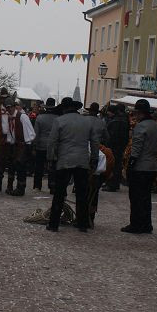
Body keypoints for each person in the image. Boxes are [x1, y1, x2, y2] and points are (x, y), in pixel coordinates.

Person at [46, 97, 100, 232]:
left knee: (59, 193)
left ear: (64, 109)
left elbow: (52, 142)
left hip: (64, 160)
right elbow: (94, 142)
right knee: (82, 194)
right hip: (82, 161)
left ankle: (53, 224)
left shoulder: (59, 121)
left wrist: (51, 159)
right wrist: (94, 158)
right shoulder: (87, 122)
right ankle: (82, 224)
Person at [122, 99, 157, 235]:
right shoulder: (156, 126)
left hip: (140, 166)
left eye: (136, 113)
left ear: (140, 113)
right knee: (146, 197)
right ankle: (146, 224)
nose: (135, 116)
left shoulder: (141, 126)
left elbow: (137, 148)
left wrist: (130, 164)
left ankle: (136, 224)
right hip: (152, 166)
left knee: (136, 197)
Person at [2, 99, 36, 196]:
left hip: (22, 145)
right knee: (11, 165)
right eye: (7, 108)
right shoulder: (9, 118)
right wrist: (10, 142)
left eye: (10, 107)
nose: (8, 109)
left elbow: (31, 133)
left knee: (21, 166)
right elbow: (10, 132)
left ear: (14, 106)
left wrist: (26, 145)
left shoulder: (22, 116)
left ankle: (20, 189)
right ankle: (10, 186)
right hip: (14, 145)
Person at [32, 98, 57, 191]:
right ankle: (52, 186)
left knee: (39, 166)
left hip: (41, 145)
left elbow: (36, 133)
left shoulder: (40, 118)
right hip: (53, 146)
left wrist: (34, 146)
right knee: (52, 167)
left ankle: (37, 185)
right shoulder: (58, 118)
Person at [104, 104, 130, 192]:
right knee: (117, 165)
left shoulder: (116, 121)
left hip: (114, 147)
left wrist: (108, 145)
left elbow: (111, 136)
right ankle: (115, 183)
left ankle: (111, 185)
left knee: (112, 165)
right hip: (121, 147)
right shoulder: (125, 120)